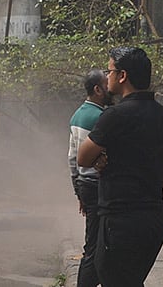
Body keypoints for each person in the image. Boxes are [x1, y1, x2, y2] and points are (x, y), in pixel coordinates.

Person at [77, 46, 163, 287]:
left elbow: (83, 157)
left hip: (121, 221)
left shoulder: (115, 116)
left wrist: (101, 156)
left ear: (122, 76)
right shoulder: (161, 114)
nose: (107, 76)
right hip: (153, 219)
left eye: (109, 71)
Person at [68, 68, 108, 287]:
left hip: (85, 185)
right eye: (106, 82)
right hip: (98, 185)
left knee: (92, 241)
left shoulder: (77, 115)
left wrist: (78, 191)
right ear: (98, 89)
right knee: (96, 245)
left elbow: (72, 159)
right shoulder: (101, 117)